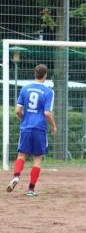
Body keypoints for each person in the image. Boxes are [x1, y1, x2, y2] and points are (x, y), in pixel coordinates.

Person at [6, 64, 57, 197]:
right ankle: (31, 189)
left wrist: (24, 118)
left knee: (22, 155)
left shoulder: (25, 89)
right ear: (45, 75)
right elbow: (47, 113)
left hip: (26, 127)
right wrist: (53, 125)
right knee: (38, 158)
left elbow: (17, 110)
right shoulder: (48, 92)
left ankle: (16, 176)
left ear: (35, 74)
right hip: (39, 128)